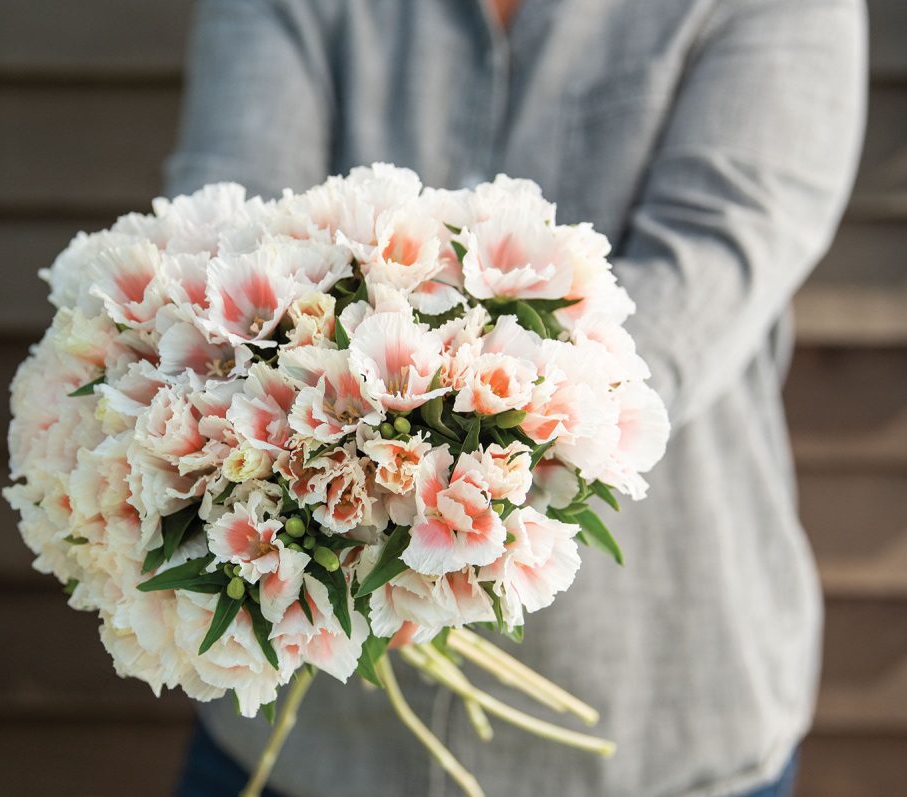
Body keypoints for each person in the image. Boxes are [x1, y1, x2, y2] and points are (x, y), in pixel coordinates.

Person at [164, 0, 866, 795]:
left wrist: (411, 500)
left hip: (654, 725)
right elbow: (224, 241)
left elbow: (704, 273)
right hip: (319, 739)